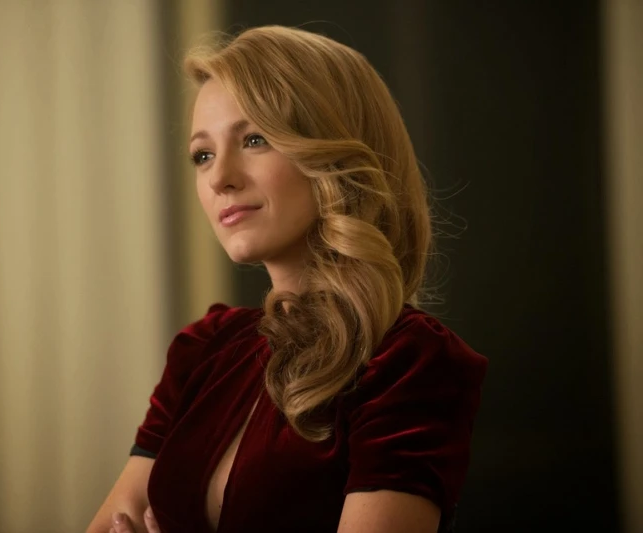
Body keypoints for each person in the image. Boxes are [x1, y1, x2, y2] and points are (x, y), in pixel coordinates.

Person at [86, 25, 487, 533]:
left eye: (254, 139)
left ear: (336, 158)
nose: (219, 178)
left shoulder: (408, 360)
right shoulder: (203, 350)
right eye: (203, 155)